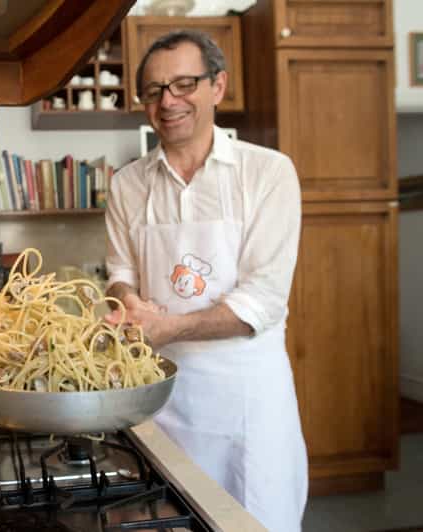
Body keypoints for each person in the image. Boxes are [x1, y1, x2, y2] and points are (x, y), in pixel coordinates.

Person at [104, 30, 308, 532]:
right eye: (153, 91)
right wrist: (129, 304)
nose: (167, 101)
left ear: (217, 86)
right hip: (160, 405)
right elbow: (119, 275)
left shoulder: (268, 173)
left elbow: (262, 301)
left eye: (183, 84)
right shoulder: (128, 183)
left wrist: (167, 328)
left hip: (249, 407)